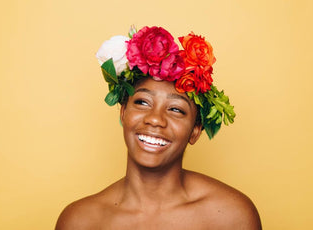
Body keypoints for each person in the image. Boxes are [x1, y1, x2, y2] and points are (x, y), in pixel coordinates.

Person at [55, 26, 262, 230]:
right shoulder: (80, 221)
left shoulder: (232, 216)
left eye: (176, 109)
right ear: (123, 112)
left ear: (196, 130)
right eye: (143, 102)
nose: (155, 119)